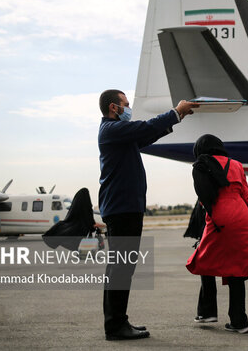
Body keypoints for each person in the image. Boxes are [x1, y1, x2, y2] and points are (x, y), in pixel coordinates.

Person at [98, 89, 198, 341]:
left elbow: (147, 134)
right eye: (126, 105)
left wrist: (178, 118)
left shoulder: (118, 135)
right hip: (122, 209)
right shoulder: (112, 130)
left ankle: (117, 322)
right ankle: (116, 326)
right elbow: (145, 126)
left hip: (123, 207)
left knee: (119, 268)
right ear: (113, 108)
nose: (128, 109)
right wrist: (175, 112)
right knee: (121, 268)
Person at [186, 134, 248, 334]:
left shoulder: (202, 164)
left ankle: (207, 312)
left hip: (219, 216)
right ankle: (240, 322)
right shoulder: (237, 165)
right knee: (237, 269)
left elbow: (205, 199)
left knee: (202, 260)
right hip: (242, 217)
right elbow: (247, 198)